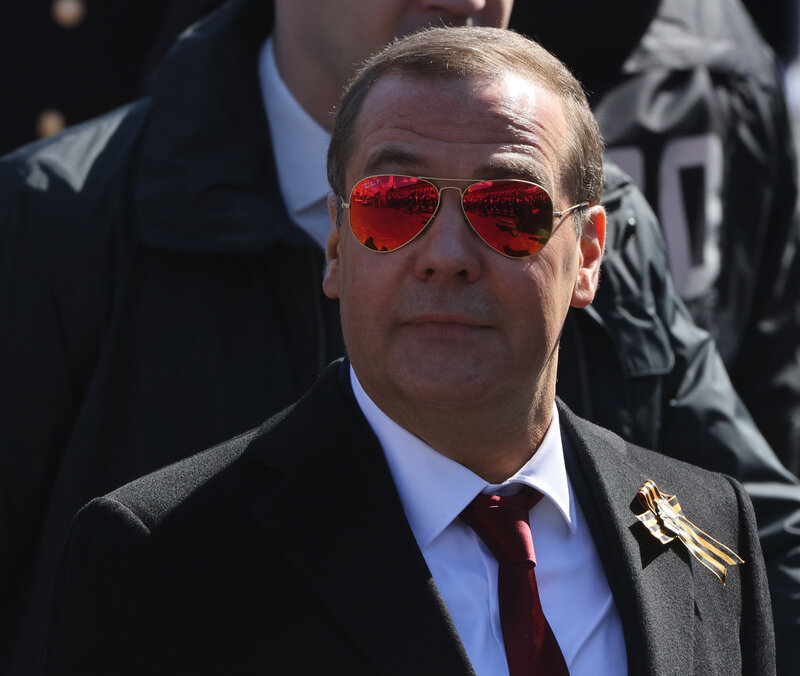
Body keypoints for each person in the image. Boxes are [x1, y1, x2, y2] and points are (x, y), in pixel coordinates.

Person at [1, 1, 798, 672]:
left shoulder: (602, 209)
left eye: (510, 213)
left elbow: (739, 553)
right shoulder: (57, 222)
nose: (447, 255)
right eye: (393, 205)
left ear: (587, 251)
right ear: (337, 240)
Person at [512, 0, 800, 473]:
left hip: (685, 453)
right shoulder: (731, 39)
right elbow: (772, 352)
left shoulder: (467, 58)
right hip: (684, 452)